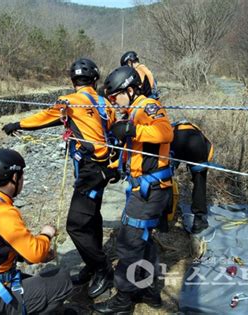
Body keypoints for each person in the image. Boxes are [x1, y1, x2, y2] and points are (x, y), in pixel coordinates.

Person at [2, 58, 119, 299]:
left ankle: (103, 269)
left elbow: (45, 117)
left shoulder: (69, 101)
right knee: (92, 217)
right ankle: (92, 264)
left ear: (73, 81)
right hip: (104, 168)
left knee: (75, 225)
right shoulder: (104, 102)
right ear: (94, 80)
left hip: (89, 171)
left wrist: (17, 123)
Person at [93, 66, 173, 314]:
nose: (114, 102)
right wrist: (115, 166)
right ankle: (150, 293)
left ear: (129, 89)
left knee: (128, 242)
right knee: (143, 240)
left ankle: (123, 301)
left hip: (150, 190)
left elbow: (165, 132)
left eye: (116, 96)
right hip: (144, 186)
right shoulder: (132, 110)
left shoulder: (148, 106)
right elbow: (136, 152)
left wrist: (132, 129)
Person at [0, 148, 73, 314]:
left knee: (44, 280)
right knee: (63, 280)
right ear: (14, 177)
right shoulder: (4, 213)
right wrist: (46, 234)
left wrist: (25, 255)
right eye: (22, 176)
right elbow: (36, 254)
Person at [171, 121, 214, 233]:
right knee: (200, 180)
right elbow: (209, 150)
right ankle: (198, 220)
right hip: (196, 143)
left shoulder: (173, 128)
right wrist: (200, 171)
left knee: (165, 177)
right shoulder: (199, 133)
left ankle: (163, 213)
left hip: (175, 140)